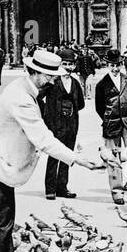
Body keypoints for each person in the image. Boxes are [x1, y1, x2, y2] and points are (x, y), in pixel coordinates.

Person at [0, 49, 103, 252]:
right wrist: (78, 160)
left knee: (7, 217)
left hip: (4, 157)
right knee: (2, 219)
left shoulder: (27, 88)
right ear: (34, 72)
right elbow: (43, 139)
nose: (53, 80)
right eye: (49, 76)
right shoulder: (21, 98)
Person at [40, 46, 87, 201]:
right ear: (59, 65)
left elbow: (81, 103)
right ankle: (50, 188)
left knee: (67, 156)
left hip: (71, 125)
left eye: (71, 64)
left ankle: (62, 187)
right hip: (55, 125)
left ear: (74, 66)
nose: (68, 68)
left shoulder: (75, 83)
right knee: (54, 156)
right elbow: (38, 97)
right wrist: (47, 114)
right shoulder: (52, 82)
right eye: (65, 64)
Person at [95, 48, 127, 204]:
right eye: (112, 65)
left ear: (122, 64)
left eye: (118, 65)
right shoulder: (101, 84)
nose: (115, 69)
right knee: (113, 160)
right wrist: (108, 118)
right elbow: (99, 106)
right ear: (107, 65)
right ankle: (117, 191)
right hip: (111, 125)